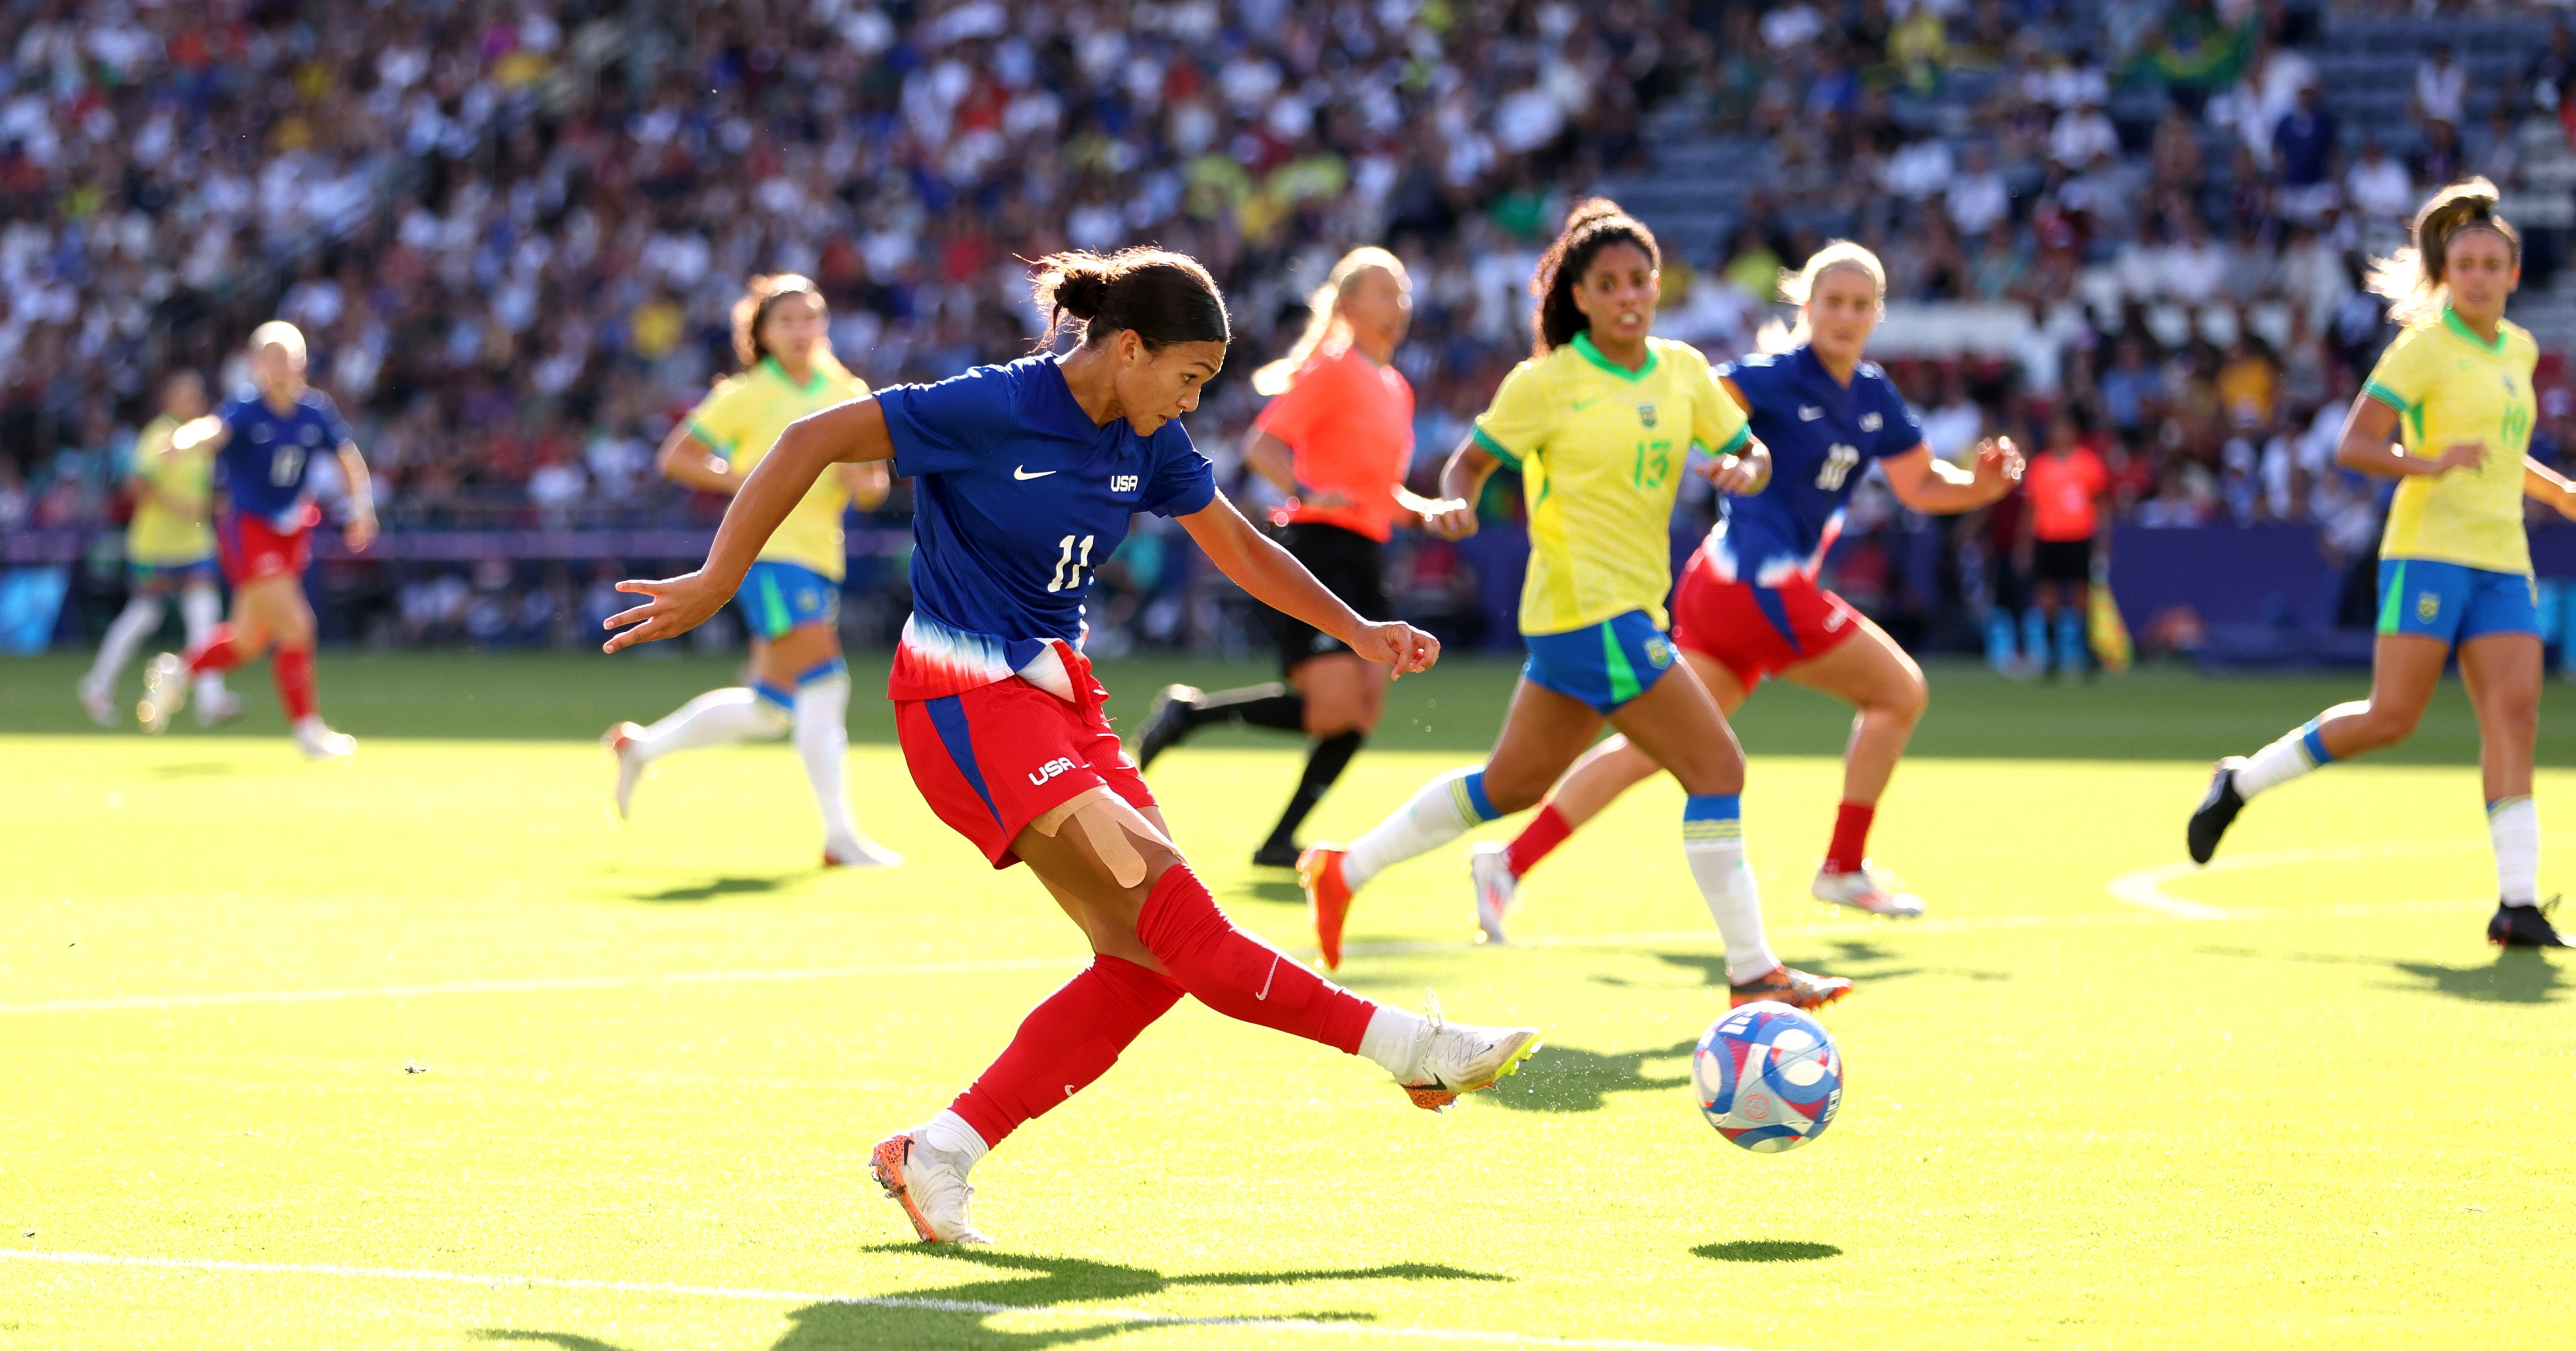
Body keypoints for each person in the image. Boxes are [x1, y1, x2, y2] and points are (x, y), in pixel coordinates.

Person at [597, 247, 1540, 1245]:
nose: (1191, 401)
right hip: (966, 702)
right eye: (1187, 376)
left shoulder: (1151, 436)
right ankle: (1412, 1046)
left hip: (1062, 700)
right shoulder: (993, 406)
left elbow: (1240, 546)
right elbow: (806, 438)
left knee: (1146, 963)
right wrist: (714, 578)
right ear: (1127, 347)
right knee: (1186, 923)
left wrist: (1359, 631)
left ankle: (938, 1152)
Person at [1296, 199, 1849, 1012]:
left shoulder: (1682, 371)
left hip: (1603, 619)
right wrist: (1452, 503)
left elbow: (1750, 452)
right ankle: (1751, 970)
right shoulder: (1545, 383)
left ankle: (1343, 868)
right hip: (1589, 613)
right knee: (1716, 764)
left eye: (1640, 280)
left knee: (1508, 786)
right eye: (1609, 284)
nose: (1629, 295)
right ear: (1579, 296)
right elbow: (1469, 466)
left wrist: (1747, 468)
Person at [1473, 243, 2023, 934]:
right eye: (1832, 302)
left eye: (1860, 305)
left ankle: (1508, 861)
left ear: (1878, 314)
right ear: (1804, 305)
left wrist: (1979, 485)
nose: (1845, 316)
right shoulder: (1769, 378)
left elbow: (1917, 484)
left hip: (1725, 589)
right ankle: (1844, 867)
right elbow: (1679, 399)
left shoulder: (1873, 394)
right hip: (1755, 588)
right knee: (1898, 691)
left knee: (1652, 746)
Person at [2188, 180, 2576, 948]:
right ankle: (2241, 781)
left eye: (2493, 263)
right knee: (2390, 718)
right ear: (2446, 272)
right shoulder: (2421, 347)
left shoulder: (2517, 347)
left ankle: (2515, 902)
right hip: (2426, 553)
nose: (2480, 275)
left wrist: (2562, 495)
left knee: (2514, 716)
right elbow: (2353, 445)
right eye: (2466, 263)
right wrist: (2427, 462)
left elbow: (2501, 453)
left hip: (2498, 557)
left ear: (2514, 275)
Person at [1133, 247, 1464, 869]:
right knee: (1332, 707)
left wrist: (1424, 511)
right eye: (1386, 291)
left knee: (1362, 708)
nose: (1402, 304)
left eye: (1403, 291)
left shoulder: (1395, 386)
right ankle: (1190, 716)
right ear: (1349, 306)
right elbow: (1263, 446)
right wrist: (1307, 491)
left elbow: (1378, 491)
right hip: (1319, 547)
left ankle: (1278, 839)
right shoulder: (1334, 370)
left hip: (1367, 551)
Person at [601, 275, 903, 870]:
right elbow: (677, 455)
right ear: (761, 333)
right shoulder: (748, 391)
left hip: (821, 558)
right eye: (786, 320)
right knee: (826, 682)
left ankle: (641, 747)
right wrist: (750, 484)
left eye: (811, 317)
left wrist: (861, 478)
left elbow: (872, 486)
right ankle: (839, 836)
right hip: (769, 554)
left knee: (771, 709)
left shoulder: (847, 388)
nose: (800, 330)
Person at [138, 323, 374, 759]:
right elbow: (210, 430)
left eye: (288, 357)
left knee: (248, 641)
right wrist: (181, 440)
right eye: (271, 358)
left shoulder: (315, 411)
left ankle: (178, 671)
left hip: (289, 531)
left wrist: (361, 508)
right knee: (298, 626)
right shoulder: (247, 410)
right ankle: (308, 731)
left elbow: (348, 458)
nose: (280, 368)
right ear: (256, 365)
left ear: (302, 362)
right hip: (249, 531)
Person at [80, 373, 237, 727]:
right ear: (169, 399)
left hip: (194, 544)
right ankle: (97, 683)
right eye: (184, 395)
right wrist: (178, 506)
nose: (192, 401)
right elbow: (136, 485)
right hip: (155, 547)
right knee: (144, 616)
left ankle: (211, 700)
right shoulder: (159, 435)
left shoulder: (203, 437)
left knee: (204, 612)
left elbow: (205, 491)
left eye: (196, 395)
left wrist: (215, 505)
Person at [2017, 406, 2110, 679]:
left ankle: (2086, 653)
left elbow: (2102, 506)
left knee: (2083, 597)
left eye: (2065, 429)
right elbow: (2030, 508)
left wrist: (2103, 542)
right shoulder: (2040, 466)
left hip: (2079, 536)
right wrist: (2024, 545)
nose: (2060, 434)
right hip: (2048, 537)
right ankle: (2053, 657)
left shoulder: (2088, 464)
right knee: (2048, 597)